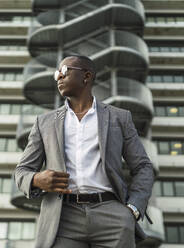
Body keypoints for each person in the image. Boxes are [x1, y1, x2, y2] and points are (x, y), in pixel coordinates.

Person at [14, 55, 155, 248]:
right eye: (57, 74)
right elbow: (22, 171)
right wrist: (37, 180)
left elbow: (143, 167)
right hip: (62, 218)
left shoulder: (119, 118)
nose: (58, 78)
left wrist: (133, 209)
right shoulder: (44, 122)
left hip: (112, 215)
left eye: (64, 72)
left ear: (86, 76)